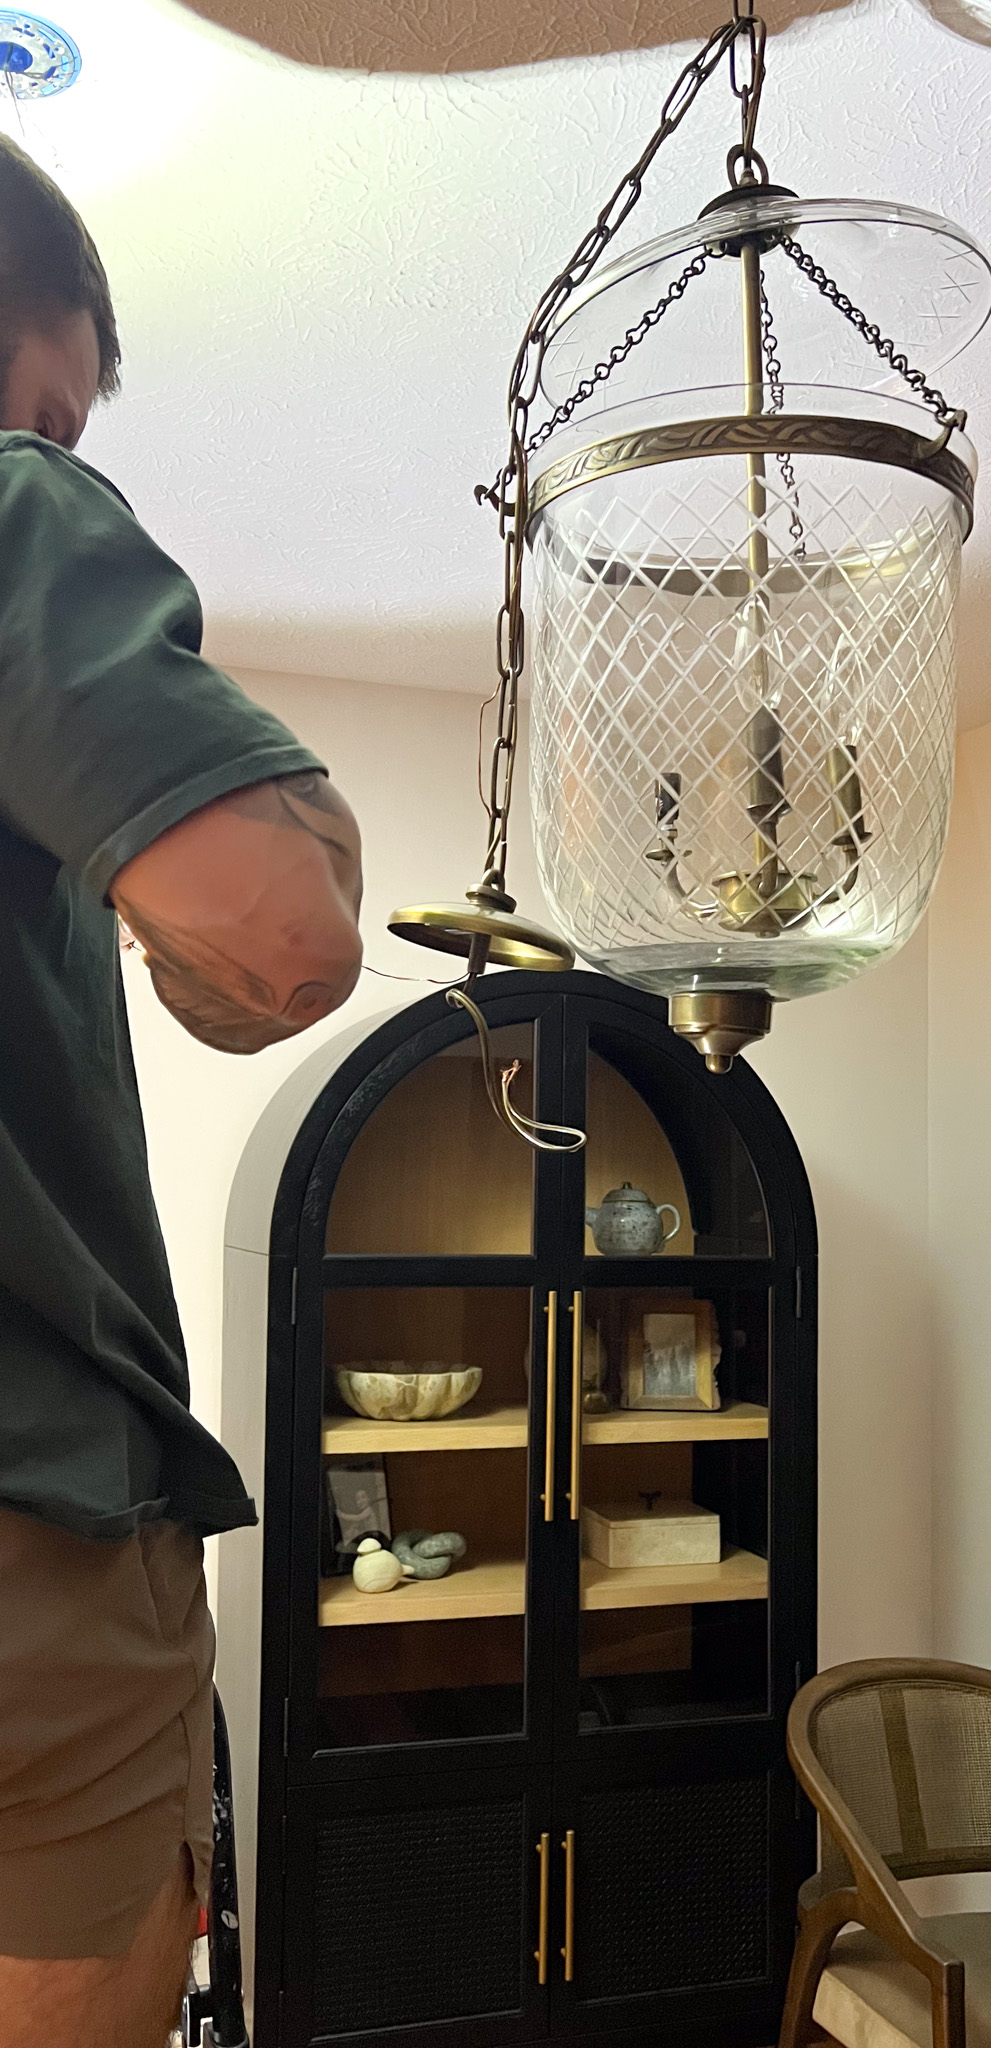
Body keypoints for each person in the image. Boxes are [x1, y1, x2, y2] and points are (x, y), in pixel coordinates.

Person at [0, 136, 365, 2046]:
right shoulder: (15, 509)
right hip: (34, 1508)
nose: (53, 445)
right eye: (51, 408)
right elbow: (288, 940)